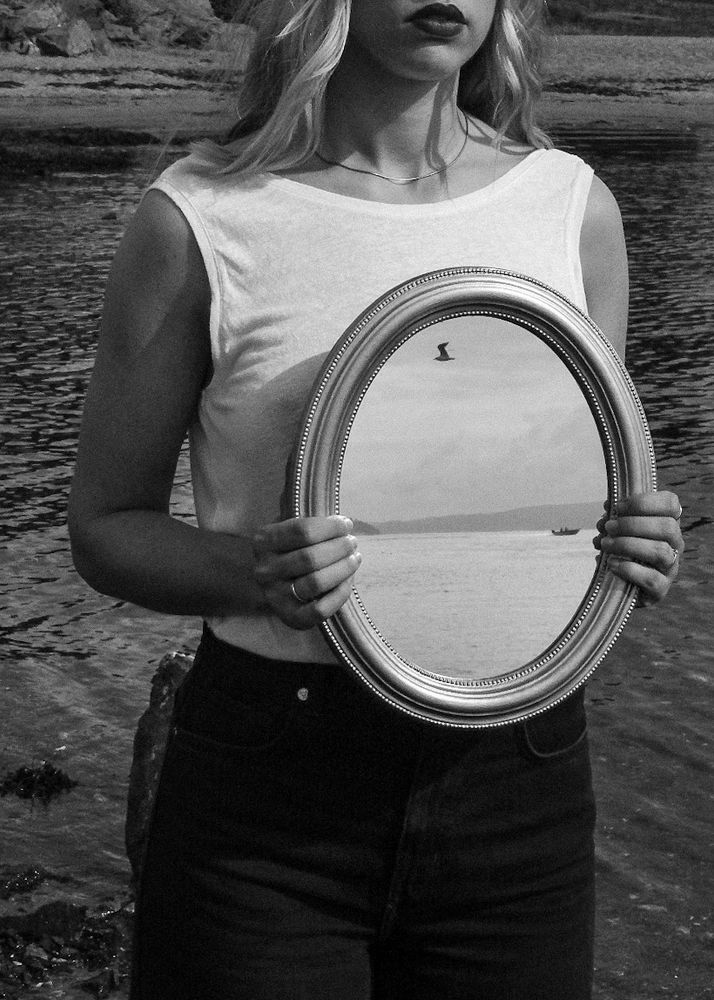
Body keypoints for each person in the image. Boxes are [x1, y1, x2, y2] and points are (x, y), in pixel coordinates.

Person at [68, 1, 684, 997]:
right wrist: (256, 573)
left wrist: (627, 552)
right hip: (269, 800)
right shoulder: (202, 216)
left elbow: (583, 494)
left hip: (520, 784)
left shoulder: (572, 209)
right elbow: (105, 529)